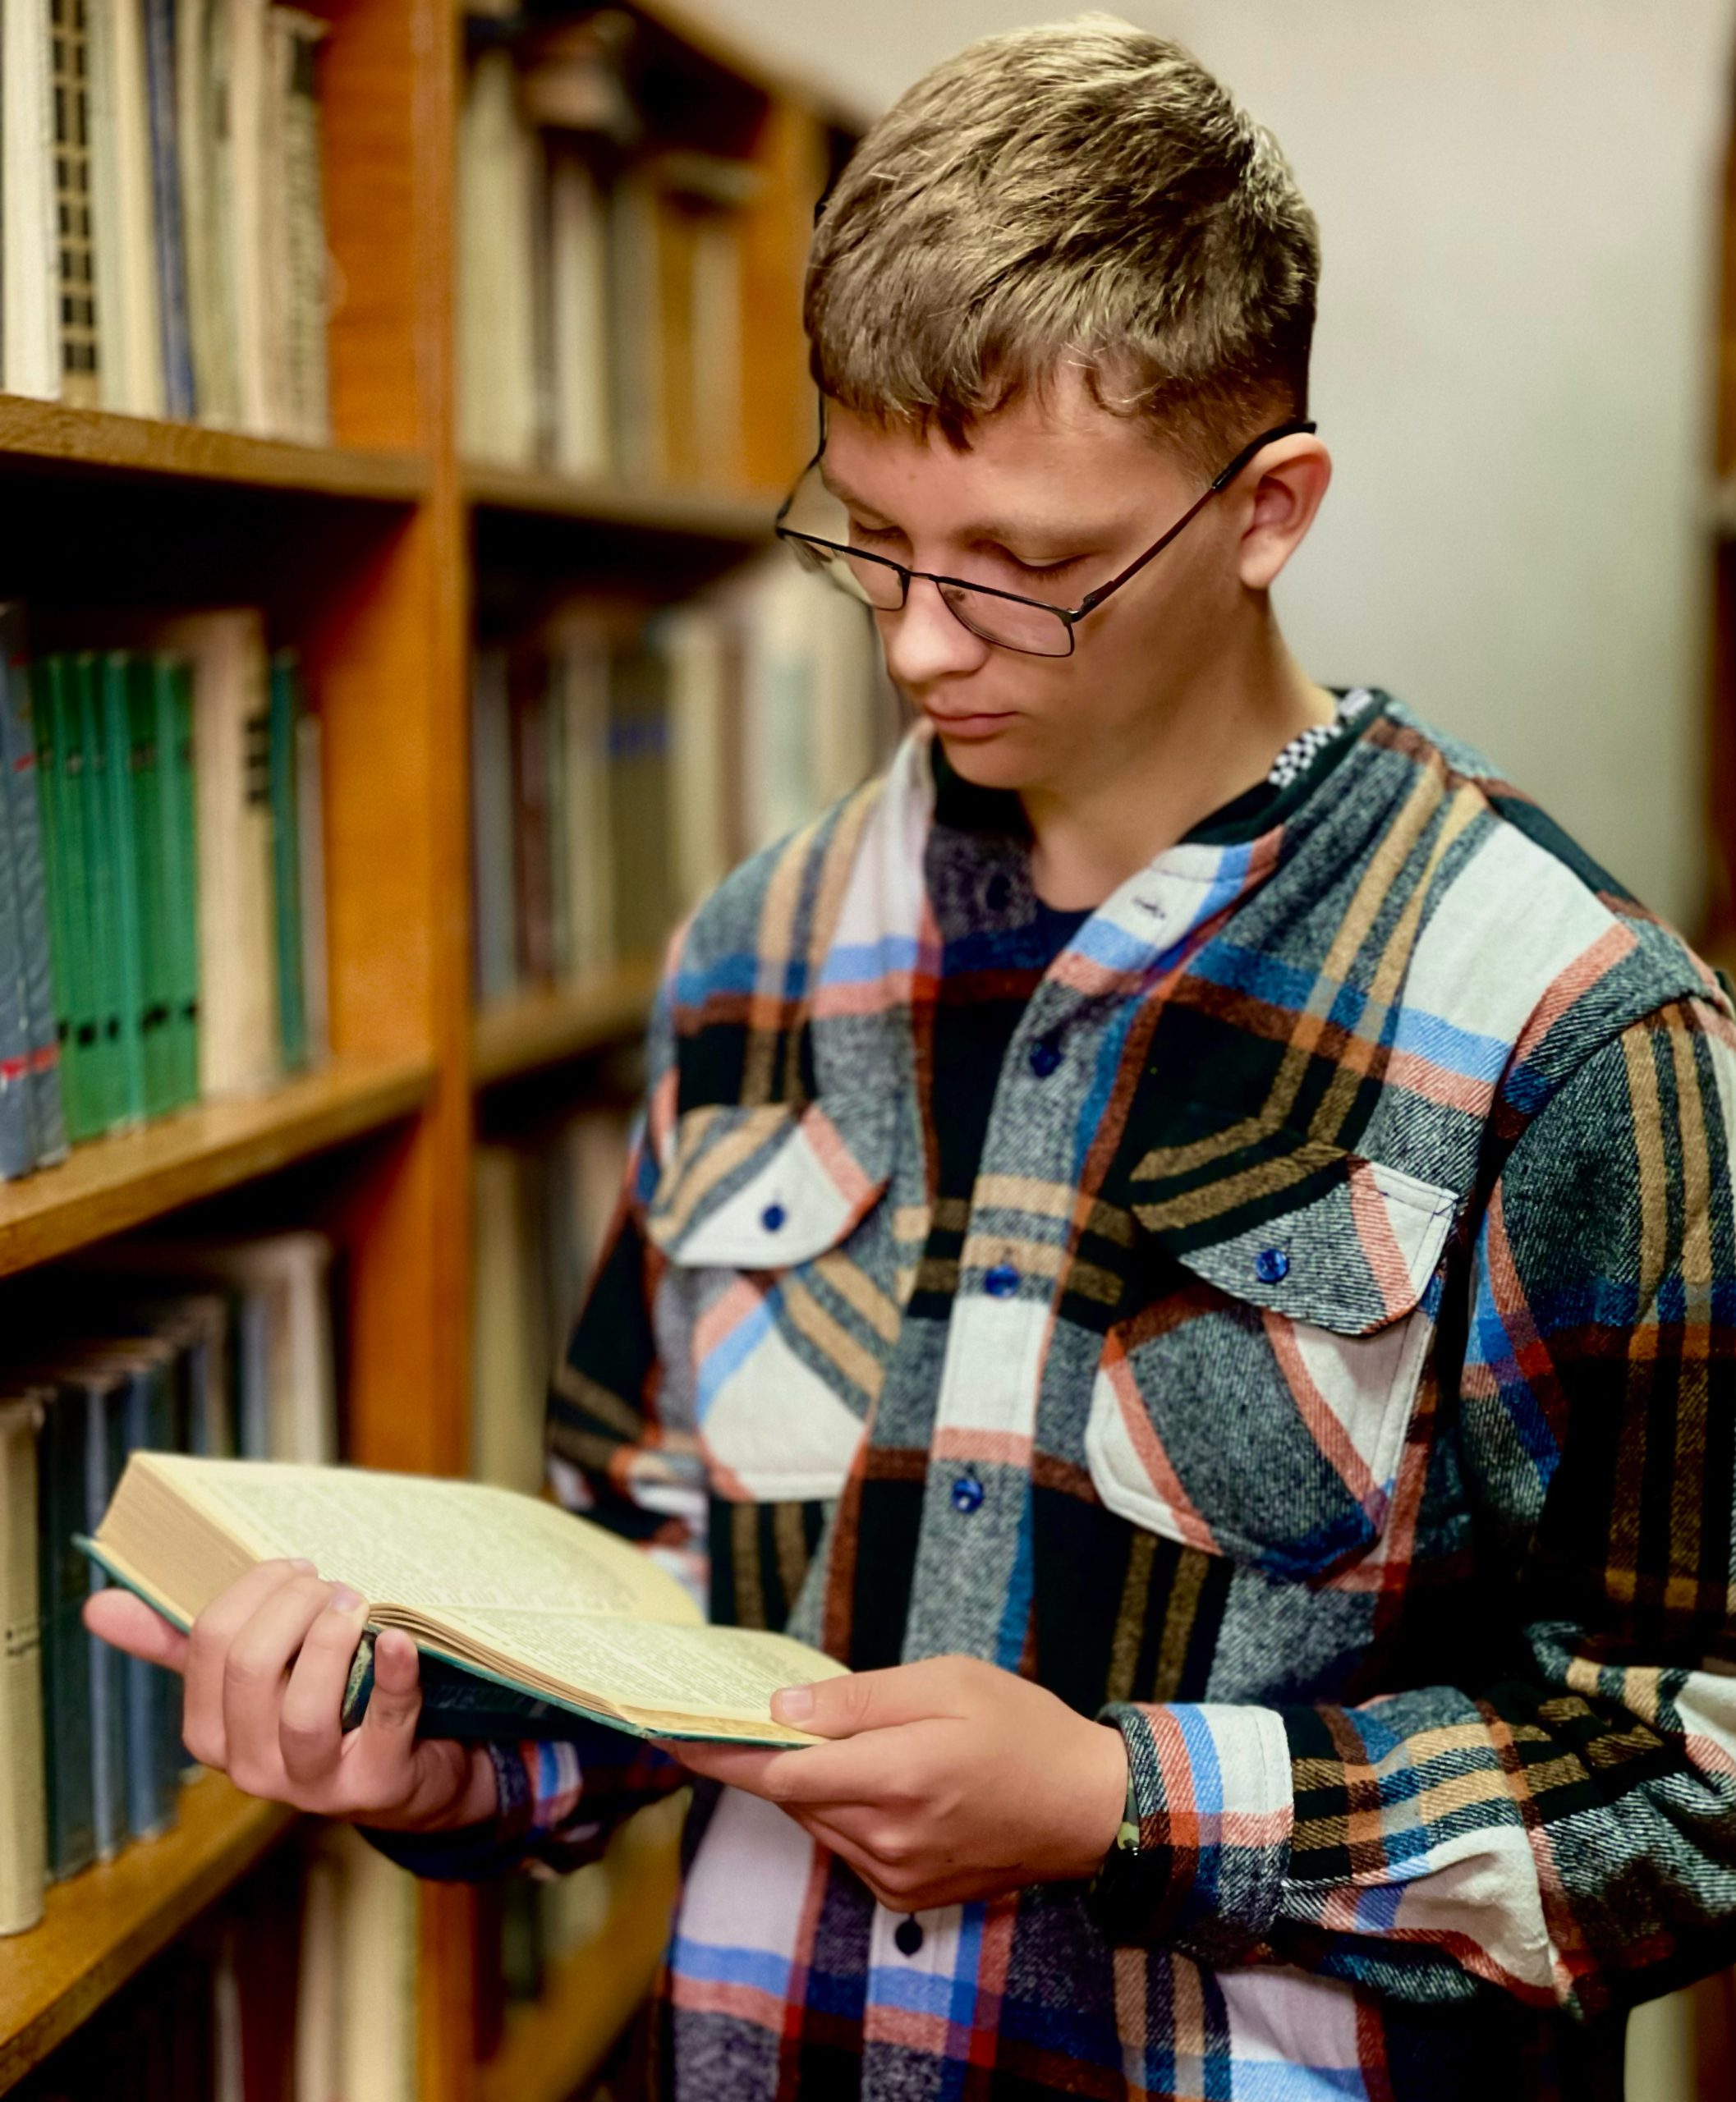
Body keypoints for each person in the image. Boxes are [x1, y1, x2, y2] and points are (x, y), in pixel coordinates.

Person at [90, 18, 1736, 2098]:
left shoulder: (1578, 1034)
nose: (918, 640)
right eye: (868, 532)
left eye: (1026, 569)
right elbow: (654, 1594)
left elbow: (1692, 1782)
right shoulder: (759, 952)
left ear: (1269, 508)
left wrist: (1122, 1800)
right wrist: (437, 1755)